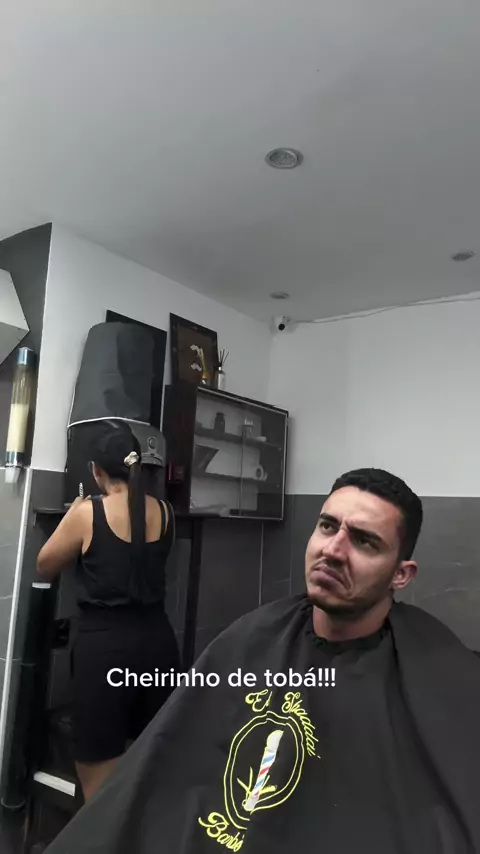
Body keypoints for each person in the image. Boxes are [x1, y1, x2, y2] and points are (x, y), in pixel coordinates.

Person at [45, 468, 480, 852]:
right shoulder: (252, 638)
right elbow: (161, 776)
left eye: (364, 541)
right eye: (327, 526)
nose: (333, 550)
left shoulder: (437, 674)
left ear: (401, 574)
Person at [37, 421, 180, 801]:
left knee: (98, 783)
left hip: (105, 652)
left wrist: (73, 515)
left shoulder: (88, 513)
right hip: (159, 645)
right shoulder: (165, 512)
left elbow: (44, 566)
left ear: (96, 471)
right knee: (152, 767)